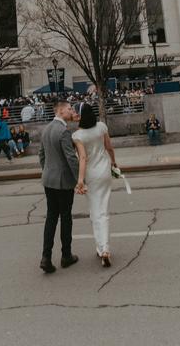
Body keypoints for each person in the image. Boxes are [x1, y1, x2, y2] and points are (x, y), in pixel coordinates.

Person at [72, 103, 116, 268]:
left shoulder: (78, 135)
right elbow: (109, 147)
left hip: (91, 174)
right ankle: (103, 247)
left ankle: (102, 247)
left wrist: (80, 180)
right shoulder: (101, 127)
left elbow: (83, 158)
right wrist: (114, 163)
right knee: (103, 209)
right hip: (105, 171)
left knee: (95, 211)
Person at [38, 100, 80, 274]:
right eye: (69, 109)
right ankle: (66, 255)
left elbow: (41, 155)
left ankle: (46, 257)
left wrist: (47, 171)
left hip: (48, 179)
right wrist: (80, 179)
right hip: (63, 181)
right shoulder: (64, 131)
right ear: (61, 111)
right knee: (66, 217)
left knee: (51, 218)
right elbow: (71, 158)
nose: (72, 111)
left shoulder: (46, 129)